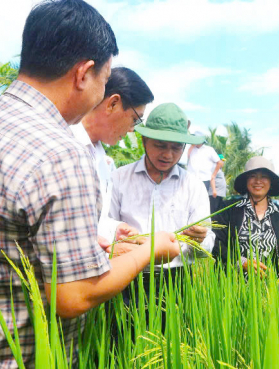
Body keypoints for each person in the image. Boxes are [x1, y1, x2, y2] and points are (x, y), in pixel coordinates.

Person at [0, 1, 179, 367]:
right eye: (104, 80)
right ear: (84, 74)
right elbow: (73, 297)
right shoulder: (60, 153)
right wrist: (148, 251)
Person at [109, 103, 213, 310]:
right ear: (144, 140)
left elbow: (208, 244)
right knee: (123, 338)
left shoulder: (193, 185)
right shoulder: (119, 178)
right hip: (127, 276)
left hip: (176, 282)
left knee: (176, 341)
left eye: (176, 148)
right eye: (160, 145)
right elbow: (105, 228)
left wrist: (200, 240)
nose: (168, 155)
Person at [70, 67, 153, 243]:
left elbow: (94, 221)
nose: (132, 129)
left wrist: (115, 229)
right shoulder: (65, 146)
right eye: (134, 119)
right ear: (113, 103)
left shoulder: (105, 162)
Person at [212, 156, 279, 276]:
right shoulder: (228, 209)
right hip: (233, 284)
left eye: (264, 176)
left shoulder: (278, 213)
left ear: (271, 182)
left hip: (269, 285)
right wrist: (240, 262)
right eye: (253, 176)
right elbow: (215, 242)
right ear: (246, 181)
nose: (258, 181)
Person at [187, 133, 225, 213]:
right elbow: (186, 157)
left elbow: (220, 162)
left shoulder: (209, 149)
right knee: (191, 201)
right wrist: (192, 146)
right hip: (191, 178)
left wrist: (213, 175)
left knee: (202, 202)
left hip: (205, 179)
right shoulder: (190, 149)